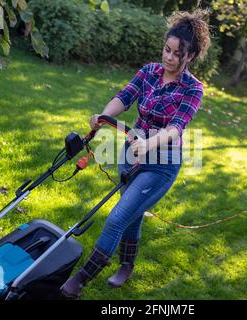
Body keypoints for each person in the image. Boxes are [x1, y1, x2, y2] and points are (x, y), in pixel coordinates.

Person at [61, 9, 211, 299]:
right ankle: (127, 265)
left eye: (176, 53)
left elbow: (176, 127)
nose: (168, 57)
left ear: (190, 56)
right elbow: (125, 97)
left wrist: (149, 144)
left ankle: (78, 281)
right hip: (132, 153)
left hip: (161, 163)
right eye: (166, 49)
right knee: (133, 213)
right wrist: (103, 116)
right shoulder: (149, 72)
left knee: (118, 217)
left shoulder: (193, 89)